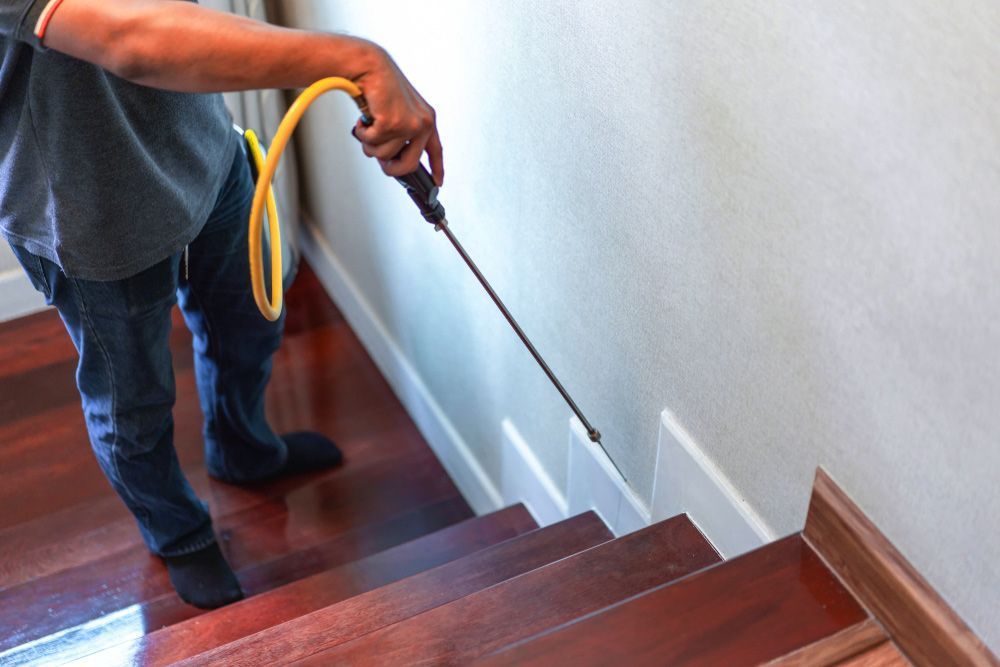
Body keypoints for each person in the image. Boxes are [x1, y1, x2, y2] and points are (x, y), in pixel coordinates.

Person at [0, 0, 444, 609]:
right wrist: (359, 60)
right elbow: (128, 36)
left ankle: (241, 449)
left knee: (249, 326)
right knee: (133, 403)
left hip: (204, 148)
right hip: (87, 211)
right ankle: (177, 531)